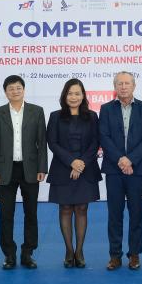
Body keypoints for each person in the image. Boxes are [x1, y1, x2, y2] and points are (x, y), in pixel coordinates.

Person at [0, 74, 47, 269]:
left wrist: (42, 168)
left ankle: (28, 253)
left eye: (18, 87)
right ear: (5, 92)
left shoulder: (36, 111)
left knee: (31, 213)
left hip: (30, 169)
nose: (15, 91)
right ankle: (9, 254)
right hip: (5, 170)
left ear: (23, 90)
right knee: (6, 214)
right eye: (11, 88)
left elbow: (42, 142)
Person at [99, 71, 142, 270]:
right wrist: (121, 160)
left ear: (134, 86)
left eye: (127, 83)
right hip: (114, 170)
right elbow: (103, 137)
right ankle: (115, 255)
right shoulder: (105, 109)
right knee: (114, 214)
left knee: (136, 213)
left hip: (137, 170)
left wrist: (130, 159)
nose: (123, 87)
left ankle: (134, 254)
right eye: (119, 83)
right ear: (115, 86)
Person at [46, 78, 101, 268]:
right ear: (64, 95)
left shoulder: (92, 116)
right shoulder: (55, 116)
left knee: (82, 209)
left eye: (77, 93)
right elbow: (52, 143)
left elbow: (95, 142)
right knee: (65, 209)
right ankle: (69, 251)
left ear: (83, 95)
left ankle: (80, 251)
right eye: (70, 93)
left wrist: (81, 163)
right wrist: (71, 162)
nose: (74, 97)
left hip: (86, 169)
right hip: (63, 168)